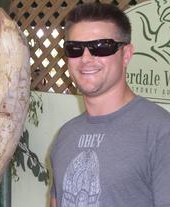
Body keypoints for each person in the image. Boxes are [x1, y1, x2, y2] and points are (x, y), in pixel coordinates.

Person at [50, 2, 170, 207]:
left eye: (101, 47)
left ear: (126, 54)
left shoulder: (160, 132)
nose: (86, 58)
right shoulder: (65, 135)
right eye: (75, 49)